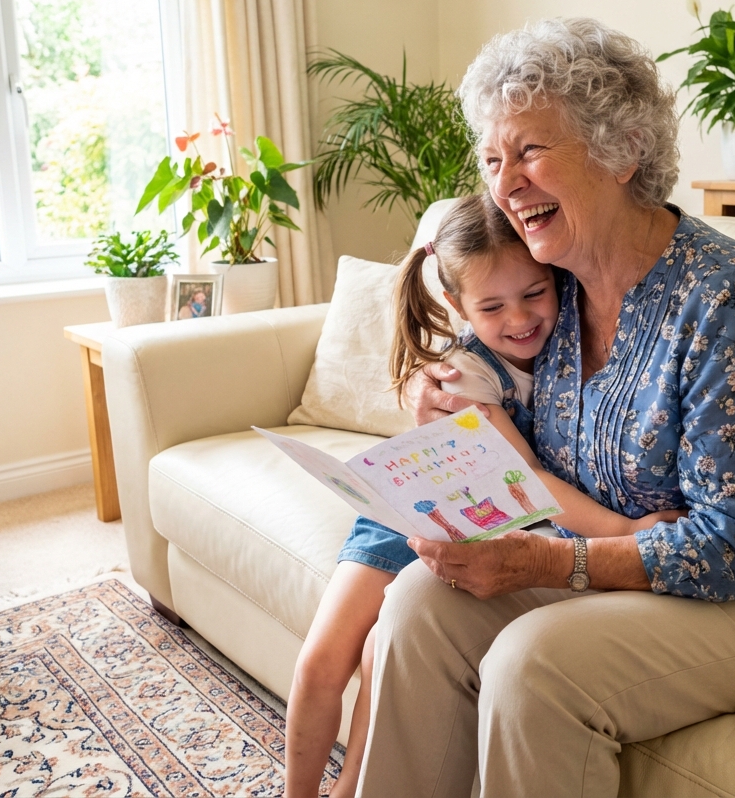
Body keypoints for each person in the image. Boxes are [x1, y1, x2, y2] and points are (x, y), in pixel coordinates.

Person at [355, 18, 735, 798]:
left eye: (528, 151)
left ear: (621, 150)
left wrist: (555, 559)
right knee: (419, 602)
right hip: (621, 570)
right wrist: (442, 394)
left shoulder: (723, 297)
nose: (505, 184)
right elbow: (482, 375)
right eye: (492, 160)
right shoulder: (550, 289)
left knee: (534, 667)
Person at [283, 193, 682, 798]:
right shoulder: (465, 377)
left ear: (558, 281)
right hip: (408, 514)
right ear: (457, 306)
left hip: (476, 529)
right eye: (492, 306)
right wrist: (624, 533)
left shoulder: (573, 339)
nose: (520, 319)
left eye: (534, 294)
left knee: (383, 659)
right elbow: (525, 481)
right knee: (323, 660)